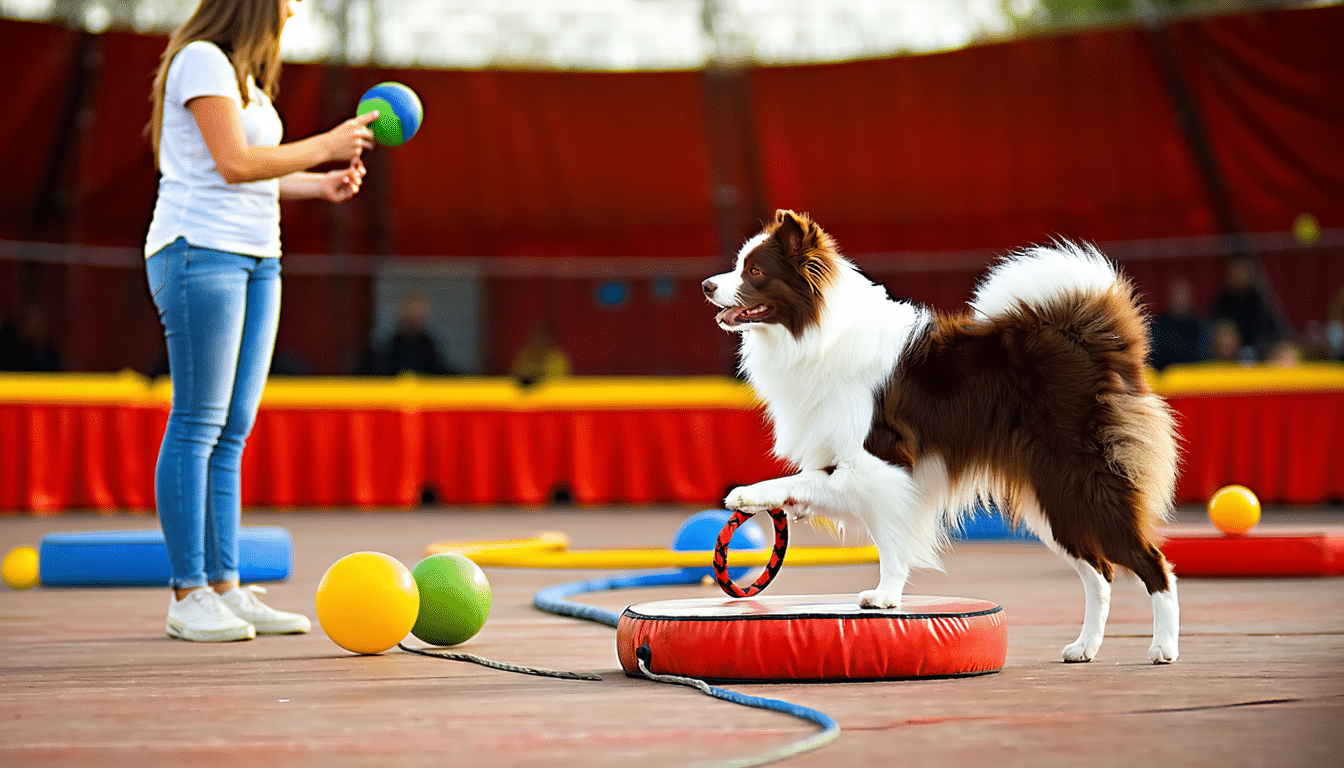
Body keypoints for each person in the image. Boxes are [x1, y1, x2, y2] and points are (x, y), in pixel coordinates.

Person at [143, 0, 377, 642]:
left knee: (233, 429)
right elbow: (234, 164)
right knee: (198, 421)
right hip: (199, 252)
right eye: (285, 0)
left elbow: (252, 175)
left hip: (257, 257)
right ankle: (187, 594)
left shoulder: (242, 76)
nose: (294, 10)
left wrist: (317, 183)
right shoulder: (201, 60)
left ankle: (225, 586)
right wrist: (327, 144)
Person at [376, 291, 456, 375]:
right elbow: (383, 371)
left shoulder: (428, 343)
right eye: (411, 310)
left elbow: (438, 369)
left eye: (418, 311)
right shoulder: (393, 343)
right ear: (403, 312)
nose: (414, 315)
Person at [1148, 276, 1208, 370]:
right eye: (1178, 295)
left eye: (1184, 295)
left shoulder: (1199, 327)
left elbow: (1201, 358)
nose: (1181, 299)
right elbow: (1153, 359)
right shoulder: (1157, 326)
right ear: (1170, 297)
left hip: (1193, 375)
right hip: (1164, 377)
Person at [510, 322, 571, 386]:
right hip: (526, 392)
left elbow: (558, 382)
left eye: (543, 337)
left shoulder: (557, 358)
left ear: (550, 339)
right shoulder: (524, 356)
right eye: (537, 336)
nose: (539, 340)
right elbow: (516, 377)